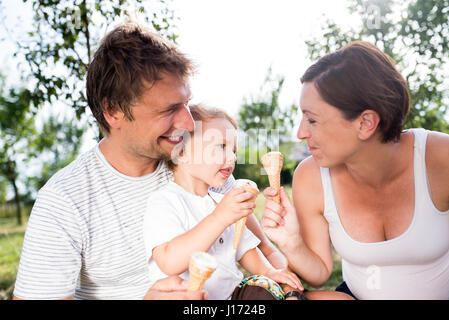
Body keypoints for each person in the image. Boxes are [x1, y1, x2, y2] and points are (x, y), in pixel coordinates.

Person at [13, 20, 286, 300]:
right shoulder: (64, 200)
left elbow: (266, 254)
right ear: (113, 110)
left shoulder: (202, 166)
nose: (188, 122)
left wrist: (281, 288)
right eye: (170, 109)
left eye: (186, 103)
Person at [261, 41, 449, 300]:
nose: (301, 133)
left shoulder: (441, 159)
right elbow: (319, 272)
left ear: (365, 123)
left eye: (312, 120)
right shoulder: (311, 176)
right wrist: (292, 243)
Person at [143, 104, 303, 300]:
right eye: (221, 146)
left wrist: (269, 272)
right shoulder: (164, 201)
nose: (233, 157)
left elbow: (247, 250)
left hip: (233, 297)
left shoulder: (223, 202)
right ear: (181, 152)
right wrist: (220, 218)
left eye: (234, 150)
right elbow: (168, 261)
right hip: (189, 300)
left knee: (262, 292)